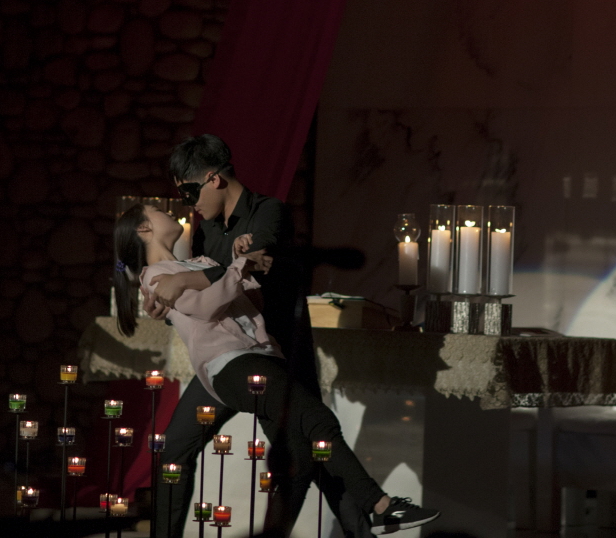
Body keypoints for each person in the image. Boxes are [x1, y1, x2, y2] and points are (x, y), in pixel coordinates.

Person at [113, 204, 439, 537]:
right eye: (156, 210)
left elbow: (250, 302)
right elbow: (207, 307)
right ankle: (382, 506)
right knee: (318, 421)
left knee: (301, 457)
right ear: (144, 229)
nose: (171, 210)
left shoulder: (199, 263)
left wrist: (240, 266)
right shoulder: (156, 275)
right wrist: (237, 267)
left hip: (262, 354)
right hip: (231, 364)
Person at [142, 134, 329, 537]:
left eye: (189, 192)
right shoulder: (206, 231)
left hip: (273, 356)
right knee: (174, 449)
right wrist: (168, 308)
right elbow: (205, 298)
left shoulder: (267, 211)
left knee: (307, 455)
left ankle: (366, 516)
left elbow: (250, 266)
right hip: (228, 360)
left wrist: (186, 281)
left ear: (213, 179)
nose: (188, 204)